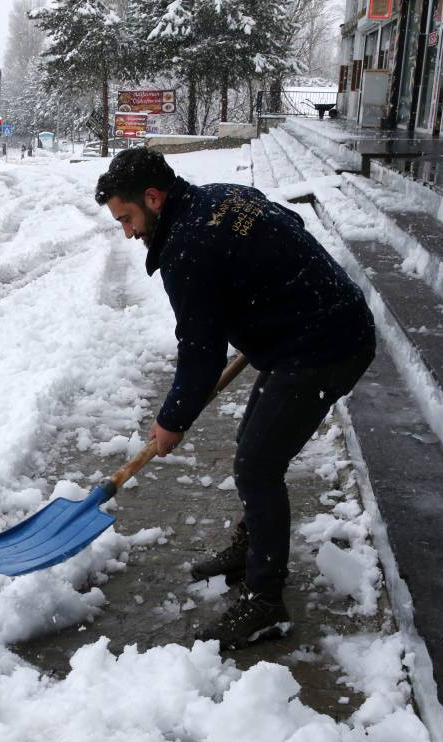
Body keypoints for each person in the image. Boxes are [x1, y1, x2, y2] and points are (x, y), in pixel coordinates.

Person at [94, 148, 375, 650]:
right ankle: (254, 549)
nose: (128, 232)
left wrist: (171, 420)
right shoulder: (221, 197)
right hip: (312, 329)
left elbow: (201, 354)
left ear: (154, 199)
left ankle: (266, 603)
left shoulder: (186, 249)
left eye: (128, 218)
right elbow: (286, 223)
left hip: (326, 345)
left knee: (257, 465)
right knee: (253, 445)